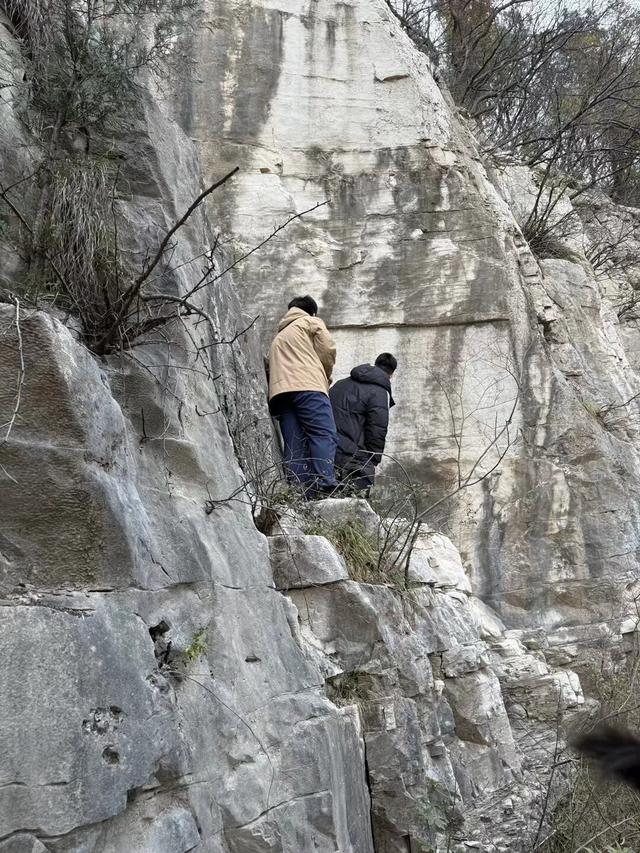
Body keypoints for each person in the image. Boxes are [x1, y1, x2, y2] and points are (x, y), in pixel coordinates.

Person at [268, 295, 339, 496]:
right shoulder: (310, 321)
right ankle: (326, 482)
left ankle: (300, 492)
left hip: (281, 394)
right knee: (324, 433)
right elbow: (327, 349)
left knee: (294, 441)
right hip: (308, 386)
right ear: (312, 311)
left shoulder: (279, 337)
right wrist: (324, 374)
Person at [329, 352, 397, 494]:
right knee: (355, 508)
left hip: (326, 450)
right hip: (355, 459)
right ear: (391, 375)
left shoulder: (341, 383)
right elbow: (377, 430)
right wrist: (372, 460)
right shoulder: (379, 392)